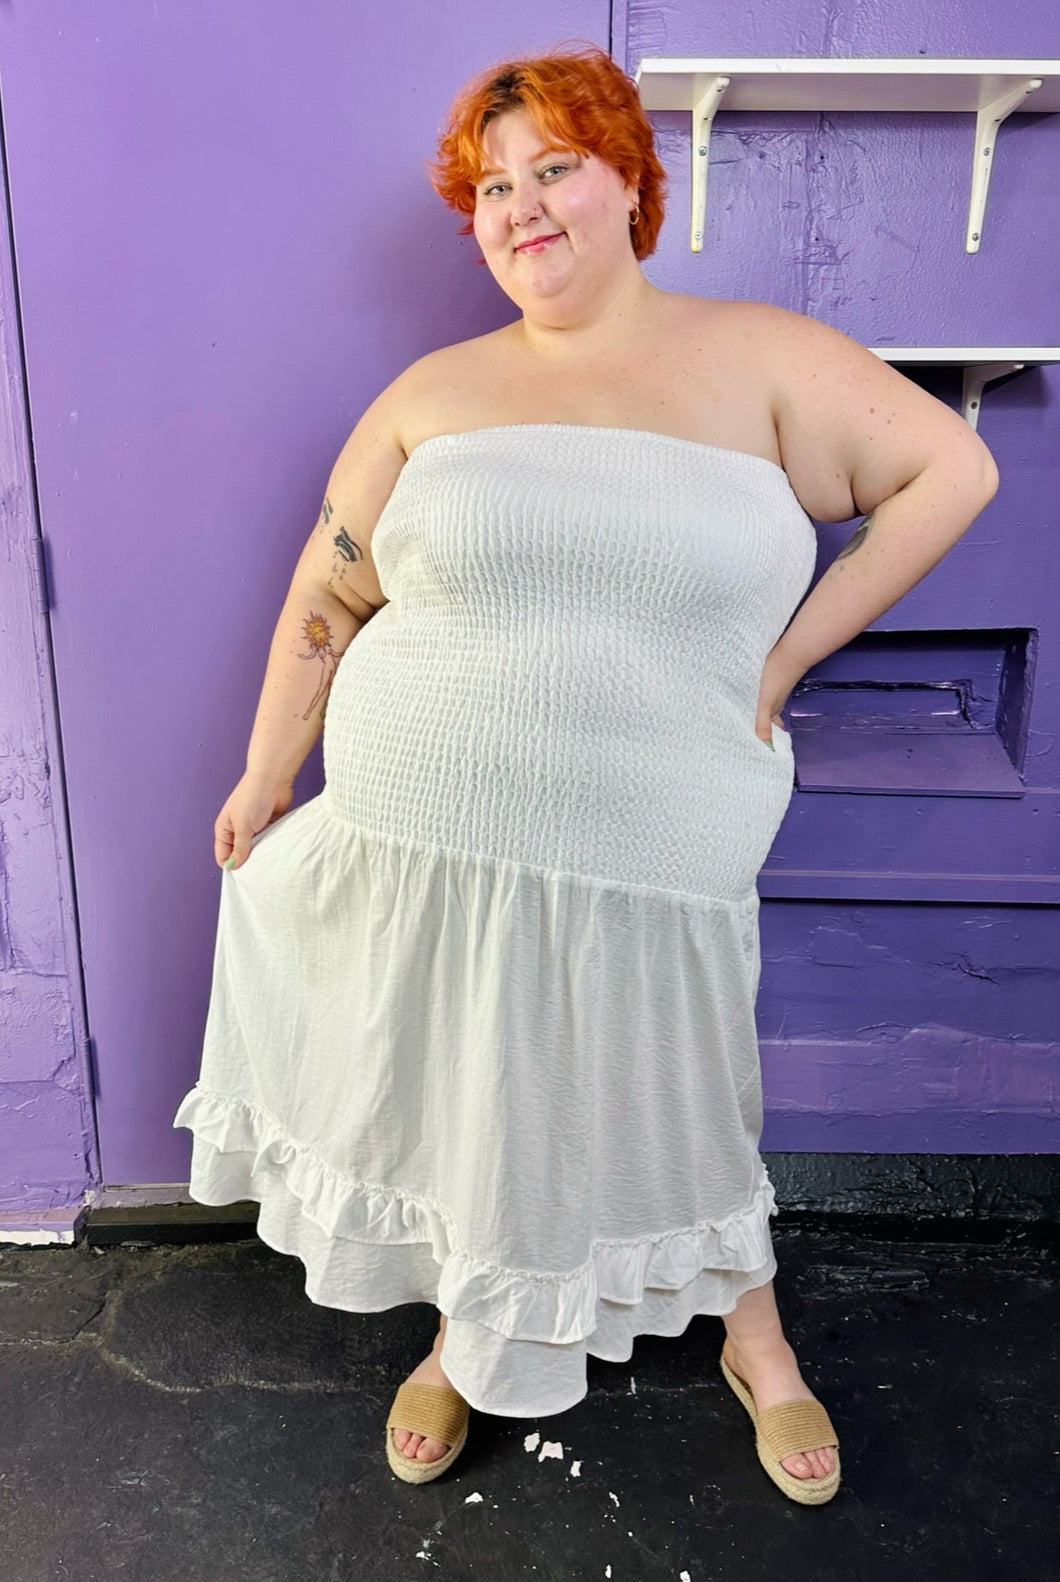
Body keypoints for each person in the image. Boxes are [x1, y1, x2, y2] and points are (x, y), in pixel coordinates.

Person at [172, 42, 999, 1501]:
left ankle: (752, 1322)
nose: (521, 206)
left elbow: (955, 470)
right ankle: (469, 1319)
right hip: (422, 830)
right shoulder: (436, 388)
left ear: (630, 178)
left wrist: (790, 654)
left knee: (679, 1066)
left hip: (663, 817)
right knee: (465, 1073)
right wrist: (265, 772)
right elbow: (329, 588)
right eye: (492, 187)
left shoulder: (759, 357)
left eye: (554, 165)